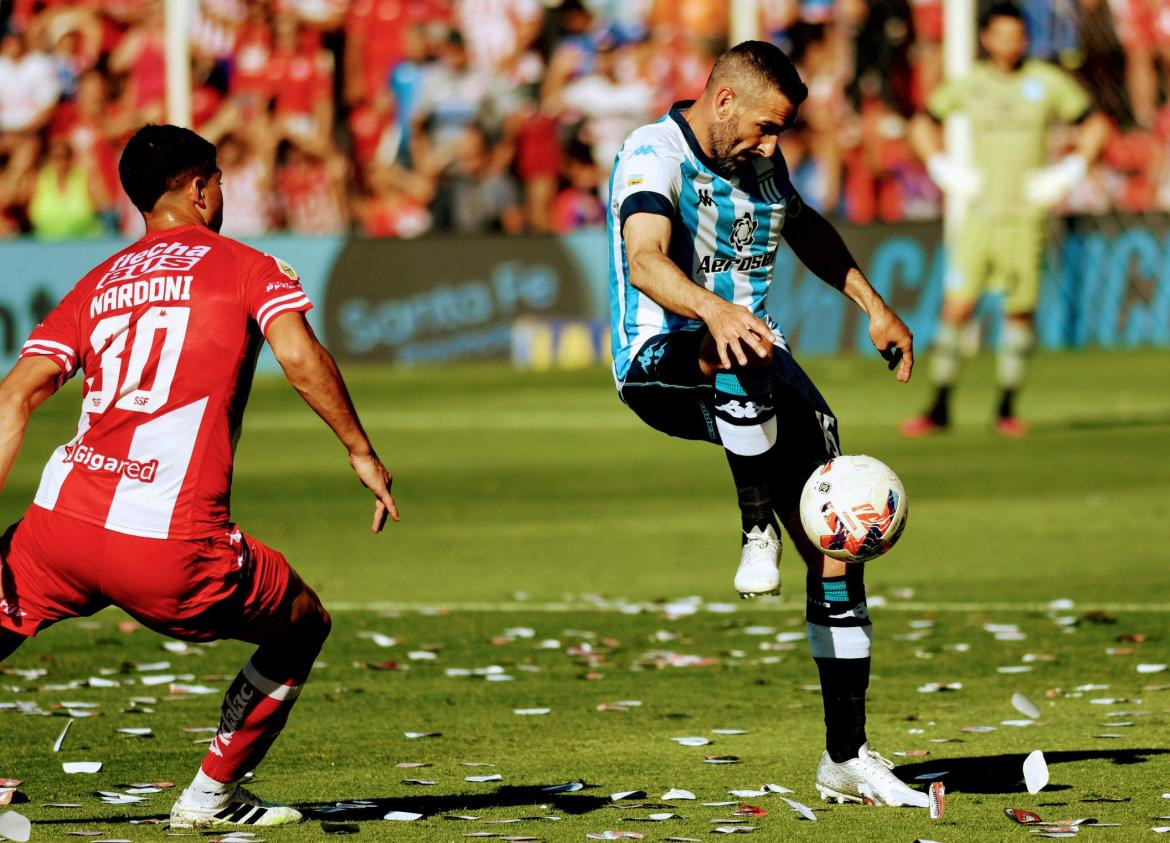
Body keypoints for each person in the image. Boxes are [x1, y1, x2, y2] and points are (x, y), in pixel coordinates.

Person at [0, 125, 399, 828]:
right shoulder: (247, 265)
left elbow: (16, 396)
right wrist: (360, 450)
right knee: (304, 624)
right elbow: (301, 359)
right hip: (169, 544)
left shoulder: (97, 281)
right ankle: (210, 793)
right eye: (218, 180)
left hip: (60, 524)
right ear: (200, 188)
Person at [606, 40, 923, 806]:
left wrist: (875, 307)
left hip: (751, 354)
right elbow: (644, 256)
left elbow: (806, 229)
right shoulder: (652, 153)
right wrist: (715, 309)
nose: (773, 144)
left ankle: (845, 756)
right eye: (766, 126)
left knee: (837, 533)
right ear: (723, 103)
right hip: (664, 356)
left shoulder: (761, 163)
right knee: (739, 349)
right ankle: (754, 529)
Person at [901, 0, 1109, 437]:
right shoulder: (970, 84)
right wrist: (940, 166)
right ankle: (938, 405)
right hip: (980, 216)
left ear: (1025, 39)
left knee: (1019, 313)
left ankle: (1006, 406)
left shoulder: (1047, 82)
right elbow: (921, 123)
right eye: (1003, 35)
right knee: (956, 309)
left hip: (1027, 217)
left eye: (1018, 36)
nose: (1011, 44)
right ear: (986, 38)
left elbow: (1095, 126)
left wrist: (1070, 170)